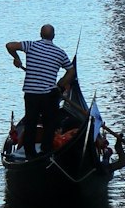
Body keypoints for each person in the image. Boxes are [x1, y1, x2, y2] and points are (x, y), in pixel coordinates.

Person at [5, 25, 75, 161]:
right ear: (53, 36)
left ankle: (30, 153)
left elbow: (9, 46)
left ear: (40, 34)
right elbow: (71, 71)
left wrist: (17, 59)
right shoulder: (59, 52)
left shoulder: (31, 45)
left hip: (31, 93)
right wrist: (60, 85)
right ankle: (46, 151)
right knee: (50, 123)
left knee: (30, 123)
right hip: (49, 93)